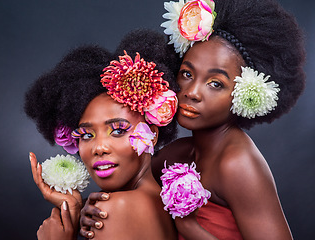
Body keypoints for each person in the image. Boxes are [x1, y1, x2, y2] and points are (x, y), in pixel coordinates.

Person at [80, 0, 306, 239]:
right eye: (187, 74)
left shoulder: (237, 164)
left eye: (215, 84)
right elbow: (133, 186)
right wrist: (86, 208)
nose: (192, 92)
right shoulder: (178, 153)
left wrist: (190, 228)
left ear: (243, 94)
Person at [25, 29, 181, 239]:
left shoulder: (116, 209)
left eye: (117, 130)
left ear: (152, 134)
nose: (99, 148)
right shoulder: (159, 198)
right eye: (87, 135)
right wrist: (75, 209)